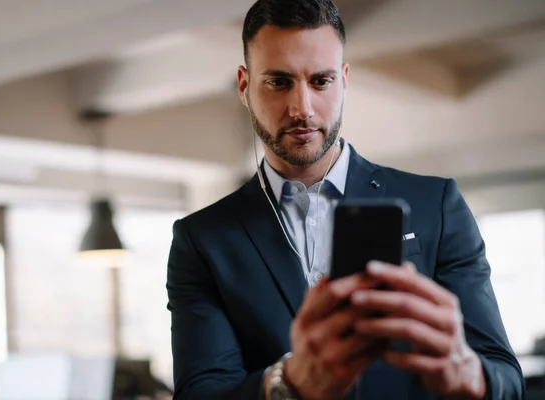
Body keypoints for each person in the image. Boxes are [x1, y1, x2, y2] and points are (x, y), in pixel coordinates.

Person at [166, 0, 524, 398]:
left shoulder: (437, 205)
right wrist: (291, 383)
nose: (302, 108)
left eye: (321, 81)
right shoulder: (201, 239)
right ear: (245, 85)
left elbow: (507, 378)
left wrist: (467, 373)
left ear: (344, 80)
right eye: (279, 82)